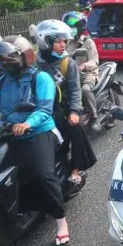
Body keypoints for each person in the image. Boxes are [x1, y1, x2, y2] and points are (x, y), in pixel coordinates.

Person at [0, 36, 71, 246]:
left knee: (44, 175)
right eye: (1, 59)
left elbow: (44, 110)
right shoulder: (3, 81)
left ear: (25, 57)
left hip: (39, 133)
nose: (4, 63)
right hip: (9, 134)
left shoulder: (41, 78)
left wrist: (27, 124)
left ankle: (61, 223)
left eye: (8, 58)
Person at [33, 19, 97, 186]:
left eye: (64, 41)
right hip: (42, 107)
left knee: (77, 128)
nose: (63, 45)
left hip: (64, 107)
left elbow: (75, 89)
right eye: (58, 41)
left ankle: (75, 168)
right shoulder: (34, 63)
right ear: (45, 42)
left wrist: (74, 112)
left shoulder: (67, 62)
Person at [62, 11, 101, 132]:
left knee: (84, 90)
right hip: (71, 75)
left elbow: (95, 62)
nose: (71, 29)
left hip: (87, 74)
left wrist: (84, 65)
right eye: (69, 26)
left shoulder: (88, 42)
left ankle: (95, 117)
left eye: (73, 26)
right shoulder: (67, 43)